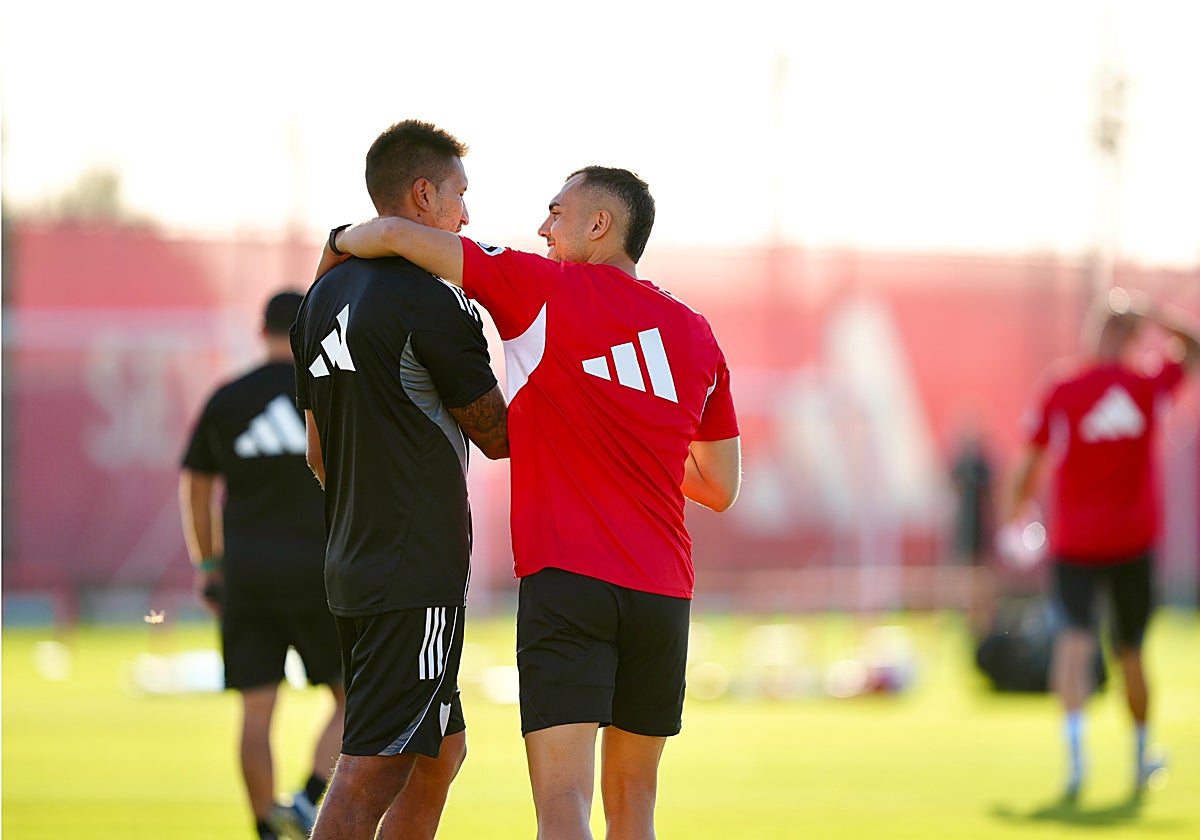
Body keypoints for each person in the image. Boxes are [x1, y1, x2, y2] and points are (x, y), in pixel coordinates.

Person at [324, 164, 742, 839]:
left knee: (563, 804)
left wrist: (337, 241)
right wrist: (636, 449)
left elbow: (399, 235)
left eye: (556, 213)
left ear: (599, 226)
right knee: (635, 808)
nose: (543, 229)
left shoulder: (541, 284)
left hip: (568, 582)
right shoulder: (697, 333)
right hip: (663, 592)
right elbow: (721, 486)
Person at [291, 119, 509, 840]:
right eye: (458, 196)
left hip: (353, 562)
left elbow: (318, 453)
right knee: (371, 770)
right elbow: (498, 433)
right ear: (422, 195)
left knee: (440, 755)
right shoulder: (431, 299)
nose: (467, 216)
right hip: (413, 572)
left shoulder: (318, 299)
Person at [1003, 287, 1200, 802]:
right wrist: (1157, 313)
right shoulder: (1145, 385)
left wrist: (1015, 514)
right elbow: (1194, 348)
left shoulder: (1068, 387)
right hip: (1130, 539)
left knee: (1074, 644)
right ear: (1134, 334)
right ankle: (1138, 760)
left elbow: (1029, 462)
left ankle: (1076, 764)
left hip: (1079, 541)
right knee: (1130, 650)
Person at [179, 290, 346, 840]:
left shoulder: (228, 399)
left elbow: (197, 487)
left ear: (260, 329)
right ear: (308, 330)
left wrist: (209, 564)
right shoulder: (327, 393)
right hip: (319, 571)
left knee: (256, 712)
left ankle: (266, 829)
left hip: (247, 572)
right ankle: (305, 799)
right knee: (355, 698)